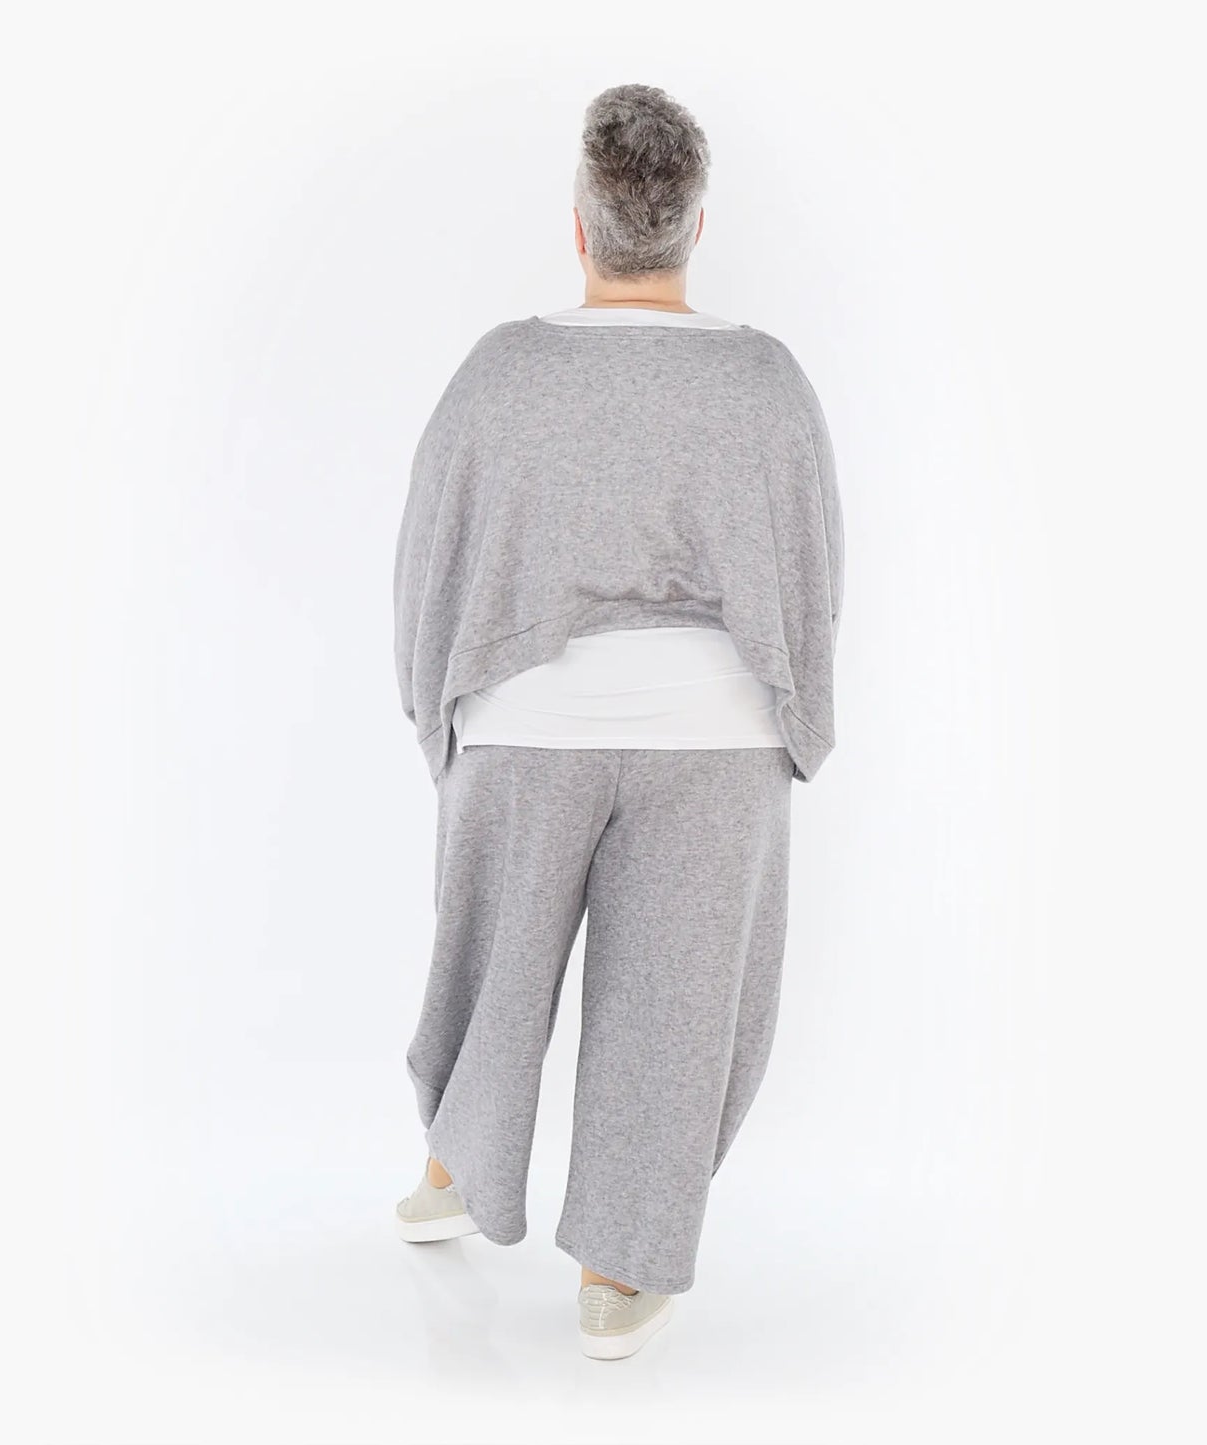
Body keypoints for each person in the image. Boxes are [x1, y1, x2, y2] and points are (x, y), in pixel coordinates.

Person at [391, 83, 843, 1360]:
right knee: (676, 1010)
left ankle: (454, 1167)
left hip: (526, 722)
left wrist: (437, 712)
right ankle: (615, 1271)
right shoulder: (763, 379)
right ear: (695, 226)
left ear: (580, 227)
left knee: (484, 974)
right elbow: (810, 574)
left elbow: (428, 556)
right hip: (714, 738)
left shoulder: (501, 370)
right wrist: (797, 718)